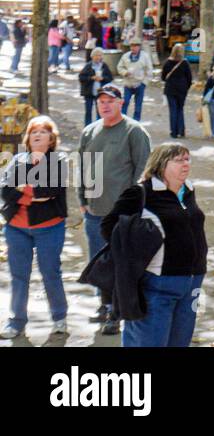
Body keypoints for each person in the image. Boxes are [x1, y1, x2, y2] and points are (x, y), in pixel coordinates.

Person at [102, 143, 207, 348]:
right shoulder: (140, 193)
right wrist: (138, 253)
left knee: (180, 343)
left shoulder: (188, 189)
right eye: (178, 160)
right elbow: (109, 227)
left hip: (193, 283)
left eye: (187, 159)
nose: (185, 164)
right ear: (161, 164)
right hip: (157, 285)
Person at [77, 83, 151, 335]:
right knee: (99, 262)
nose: (105, 105)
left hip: (123, 214)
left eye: (110, 101)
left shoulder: (134, 131)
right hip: (94, 210)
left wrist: (133, 206)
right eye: (101, 101)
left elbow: (142, 171)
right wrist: (82, 199)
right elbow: (83, 167)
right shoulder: (90, 131)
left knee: (121, 264)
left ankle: (117, 312)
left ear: (121, 102)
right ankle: (104, 304)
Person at [1, 116, 70, 339]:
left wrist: (22, 190)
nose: (37, 135)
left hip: (49, 227)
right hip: (16, 227)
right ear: (28, 137)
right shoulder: (17, 160)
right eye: (33, 131)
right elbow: (5, 190)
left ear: (51, 139)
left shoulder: (58, 161)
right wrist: (32, 193)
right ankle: (16, 322)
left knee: (50, 273)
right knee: (19, 276)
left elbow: (50, 191)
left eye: (43, 131)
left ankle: (59, 318)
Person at [161, 43, 193, 139]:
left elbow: (163, 77)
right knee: (180, 109)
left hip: (170, 88)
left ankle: (173, 132)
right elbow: (189, 78)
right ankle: (181, 130)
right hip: (182, 89)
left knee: (173, 110)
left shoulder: (167, 62)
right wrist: (186, 87)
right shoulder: (185, 63)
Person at [78, 48, 115, 127]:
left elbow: (110, 78)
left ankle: (99, 127)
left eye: (100, 55)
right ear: (92, 56)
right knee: (88, 111)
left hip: (100, 93)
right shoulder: (88, 66)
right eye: (97, 55)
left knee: (100, 111)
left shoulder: (104, 66)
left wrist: (103, 78)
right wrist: (91, 78)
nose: (98, 57)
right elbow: (81, 77)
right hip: (89, 92)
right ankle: (88, 127)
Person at [118, 38, 150, 122]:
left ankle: (136, 122)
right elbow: (119, 67)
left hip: (139, 84)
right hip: (128, 84)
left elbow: (149, 70)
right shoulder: (125, 56)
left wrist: (144, 83)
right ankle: (122, 121)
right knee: (125, 102)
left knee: (138, 106)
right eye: (132, 46)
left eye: (135, 46)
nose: (133, 48)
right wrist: (124, 72)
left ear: (139, 47)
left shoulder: (145, 56)